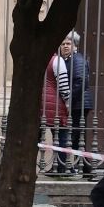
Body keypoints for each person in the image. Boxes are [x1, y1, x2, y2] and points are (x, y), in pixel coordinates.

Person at [42, 36, 74, 175]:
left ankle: (54, 167)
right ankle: (60, 167)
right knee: (61, 135)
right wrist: (67, 103)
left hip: (41, 104)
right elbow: (63, 86)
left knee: (38, 137)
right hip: (55, 104)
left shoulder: (41, 59)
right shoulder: (57, 60)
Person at [67, 30, 96, 177]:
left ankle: (83, 168)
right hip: (80, 102)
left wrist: (69, 100)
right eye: (64, 43)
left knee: (77, 135)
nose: (66, 46)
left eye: (69, 43)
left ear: (75, 45)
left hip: (80, 103)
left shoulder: (77, 59)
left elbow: (81, 81)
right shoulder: (72, 58)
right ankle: (83, 168)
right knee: (78, 135)